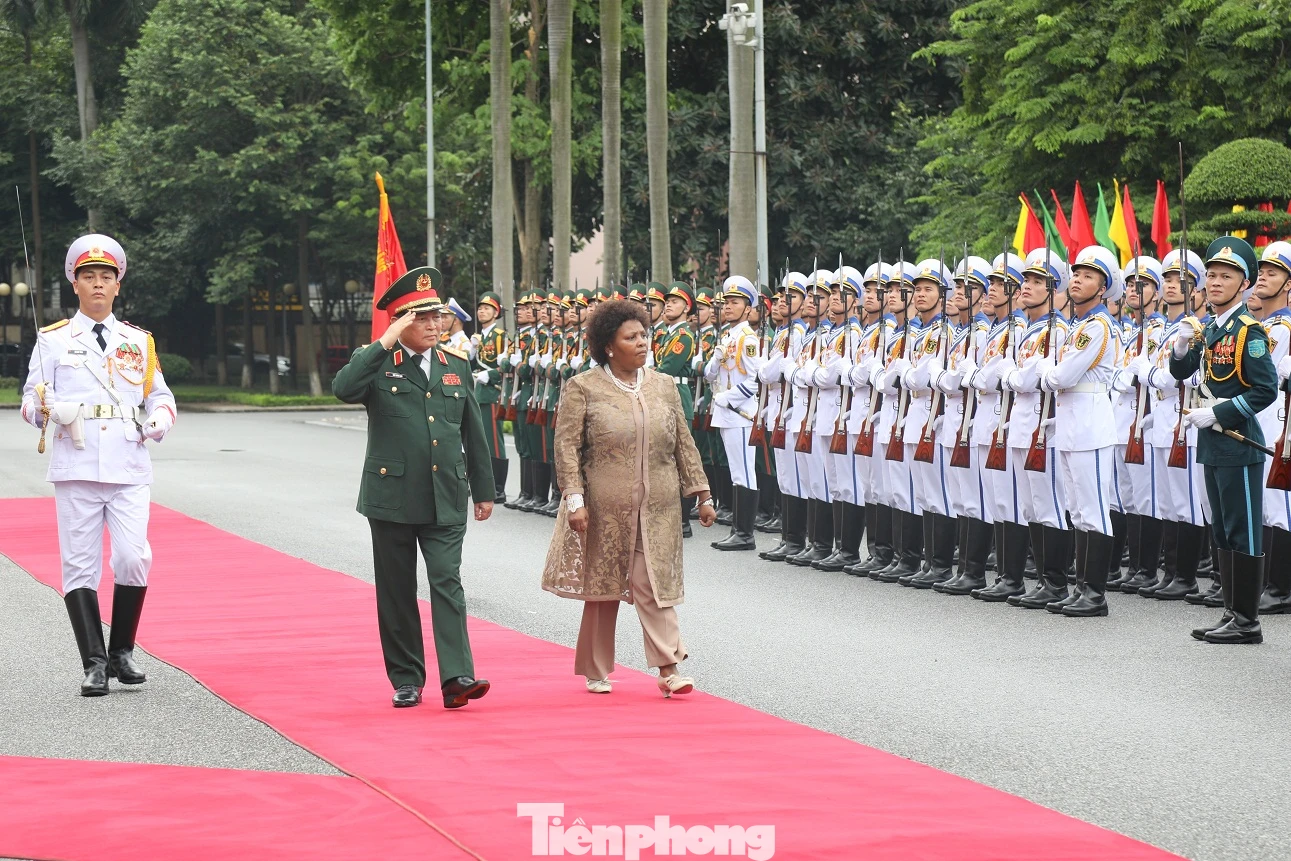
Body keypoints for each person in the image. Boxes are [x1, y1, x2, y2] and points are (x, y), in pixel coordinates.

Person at [20, 234, 177, 696]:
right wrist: (47, 411)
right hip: (77, 463)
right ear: (75, 284)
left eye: (105, 277)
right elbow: (30, 401)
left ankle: (122, 650)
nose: (97, 284)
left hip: (129, 462)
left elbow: (161, 397)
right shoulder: (52, 341)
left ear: (117, 284)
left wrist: (158, 422)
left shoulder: (138, 341)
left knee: (134, 557)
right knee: (80, 565)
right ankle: (94, 663)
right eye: (87, 276)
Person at [332, 266, 496, 708]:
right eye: (420, 318)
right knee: (397, 588)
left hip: (446, 495)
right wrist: (384, 343)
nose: (433, 325)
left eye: (437, 317)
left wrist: (484, 490)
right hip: (392, 498)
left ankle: (458, 676)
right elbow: (342, 389)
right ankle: (407, 677)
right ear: (401, 322)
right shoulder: (377, 362)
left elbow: (472, 432)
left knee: (447, 581)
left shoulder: (455, 366)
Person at [541, 299, 716, 696]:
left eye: (644, 335)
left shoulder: (664, 385)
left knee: (649, 583)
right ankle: (595, 667)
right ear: (608, 345)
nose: (642, 343)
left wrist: (701, 493)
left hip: (659, 507)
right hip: (604, 507)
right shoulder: (583, 387)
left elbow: (683, 444)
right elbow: (567, 447)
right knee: (602, 589)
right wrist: (574, 500)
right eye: (631, 337)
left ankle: (670, 668)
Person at [1170, 236, 1279, 644]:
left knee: (1244, 530)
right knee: (1223, 530)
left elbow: (1265, 389)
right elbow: (1184, 374)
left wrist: (1218, 412)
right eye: (1212, 275)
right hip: (1212, 442)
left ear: (1245, 283)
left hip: (1238, 440)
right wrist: (1181, 346)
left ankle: (1247, 621)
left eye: (1226, 276)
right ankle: (1232, 612)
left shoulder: (1247, 330)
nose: (1216, 282)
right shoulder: (1210, 327)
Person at [471, 291, 510, 503]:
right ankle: (487, 484)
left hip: (493, 391)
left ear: (496, 313)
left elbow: (506, 366)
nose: (481, 311)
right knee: (483, 440)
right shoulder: (480, 337)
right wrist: (472, 350)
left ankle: (499, 488)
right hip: (480, 392)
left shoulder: (500, 336)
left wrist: (490, 374)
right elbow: (472, 365)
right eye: (480, 308)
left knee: (495, 441)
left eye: (487, 308)